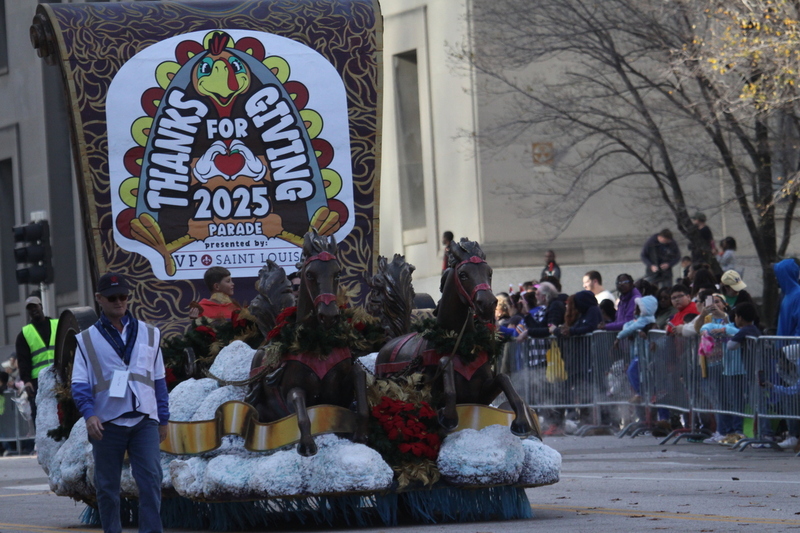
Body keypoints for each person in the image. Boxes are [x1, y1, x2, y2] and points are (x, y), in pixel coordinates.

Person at [71, 272, 170, 533]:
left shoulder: (150, 333)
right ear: (99, 299)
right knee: (107, 488)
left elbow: (159, 380)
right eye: (112, 297)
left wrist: (163, 418)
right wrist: (89, 414)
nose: (119, 301)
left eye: (123, 296)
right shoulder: (86, 340)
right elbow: (79, 384)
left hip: (144, 420)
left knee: (150, 481)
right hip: (106, 423)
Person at [16, 296, 58, 426]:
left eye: (35, 306)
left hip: (59, 377)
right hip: (37, 383)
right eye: (30, 308)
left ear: (41, 306)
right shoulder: (25, 334)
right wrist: (27, 381)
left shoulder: (58, 324)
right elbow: (23, 361)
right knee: (41, 417)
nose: (33, 310)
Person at [774, 258, 800, 337]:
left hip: (791, 348)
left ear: (784, 275)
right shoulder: (786, 295)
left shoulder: (797, 295)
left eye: (777, 275)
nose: (775, 278)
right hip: (785, 346)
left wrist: (790, 348)